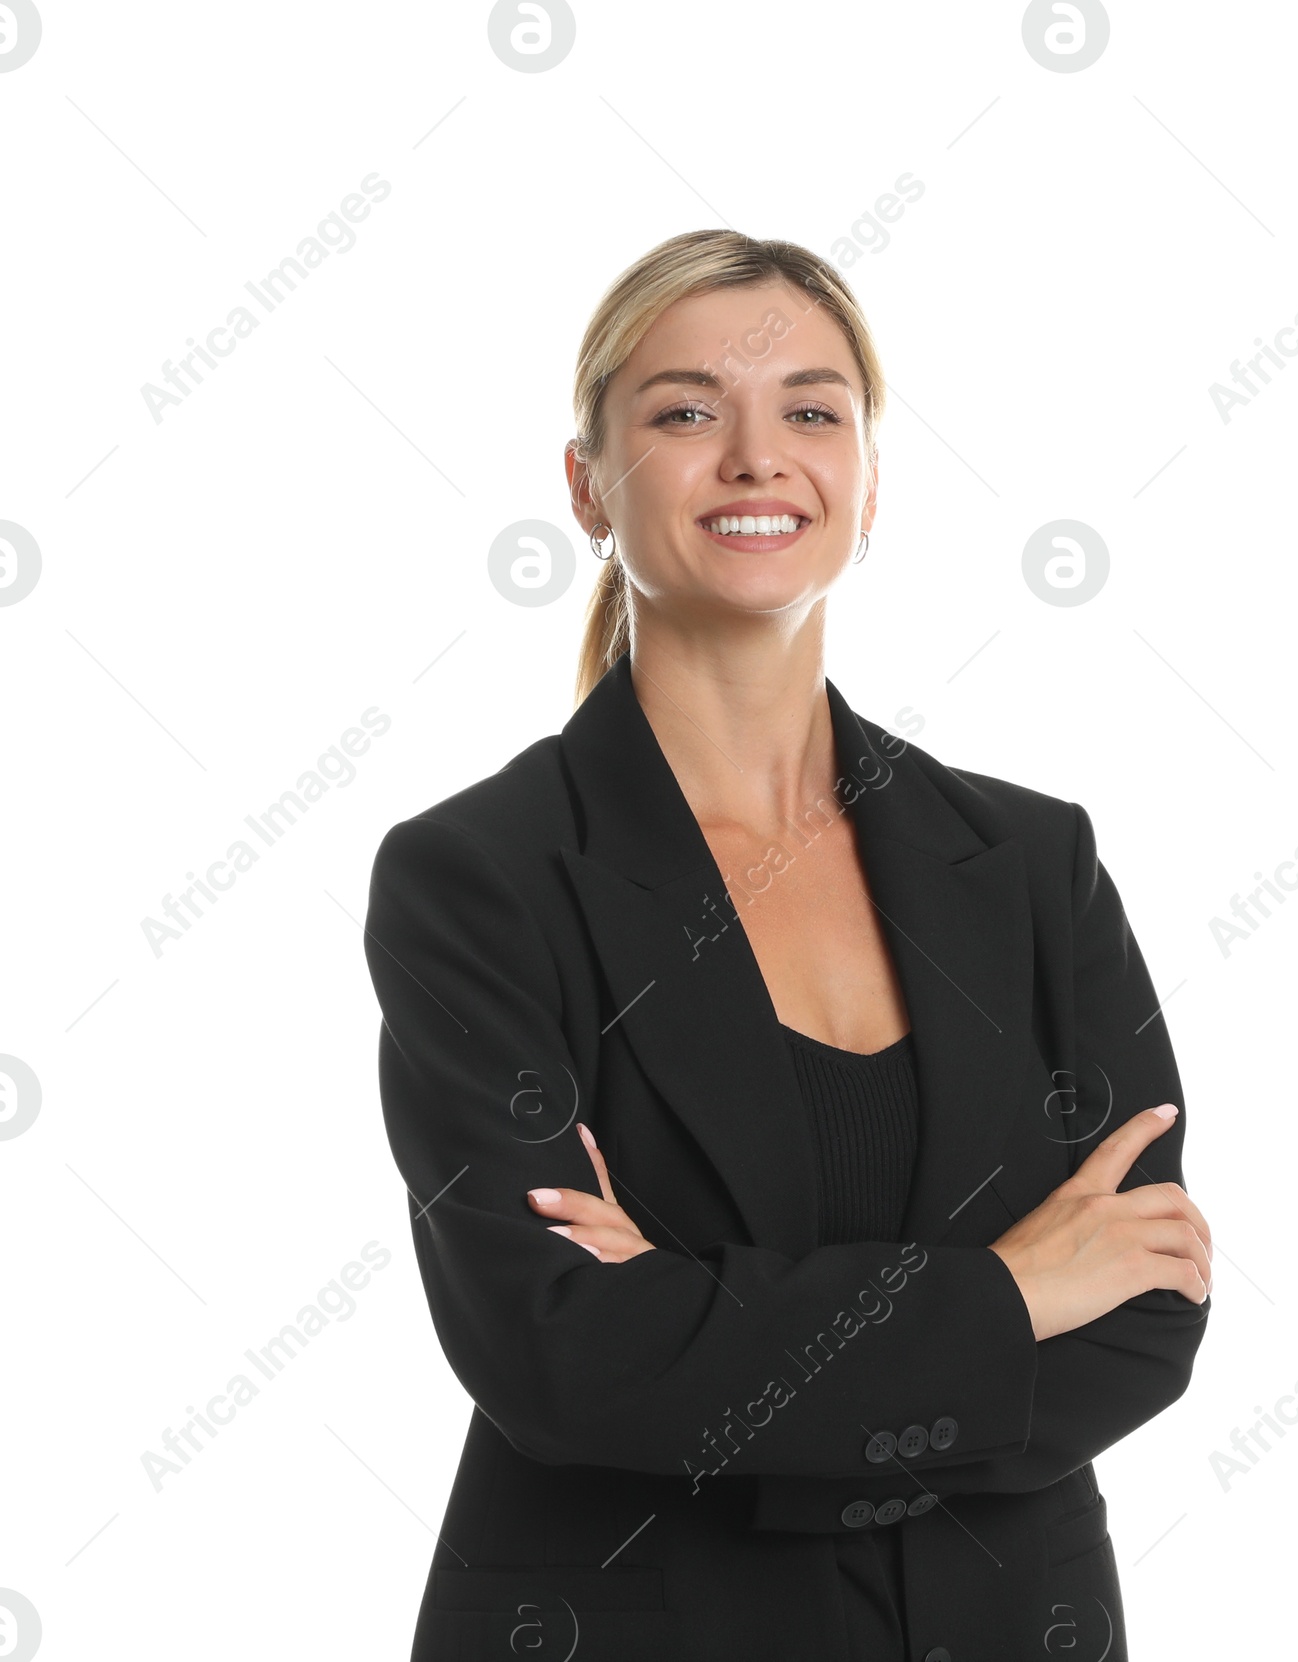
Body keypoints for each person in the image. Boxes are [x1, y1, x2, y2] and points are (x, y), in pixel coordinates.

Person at [363, 229, 1212, 1662]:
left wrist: (704, 1330)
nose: (759, 457)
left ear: (870, 484)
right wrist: (1011, 1291)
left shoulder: (1030, 864)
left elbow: (1141, 1314)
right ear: (587, 485)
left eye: (812, 411)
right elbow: (563, 1355)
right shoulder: (480, 878)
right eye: (688, 411)